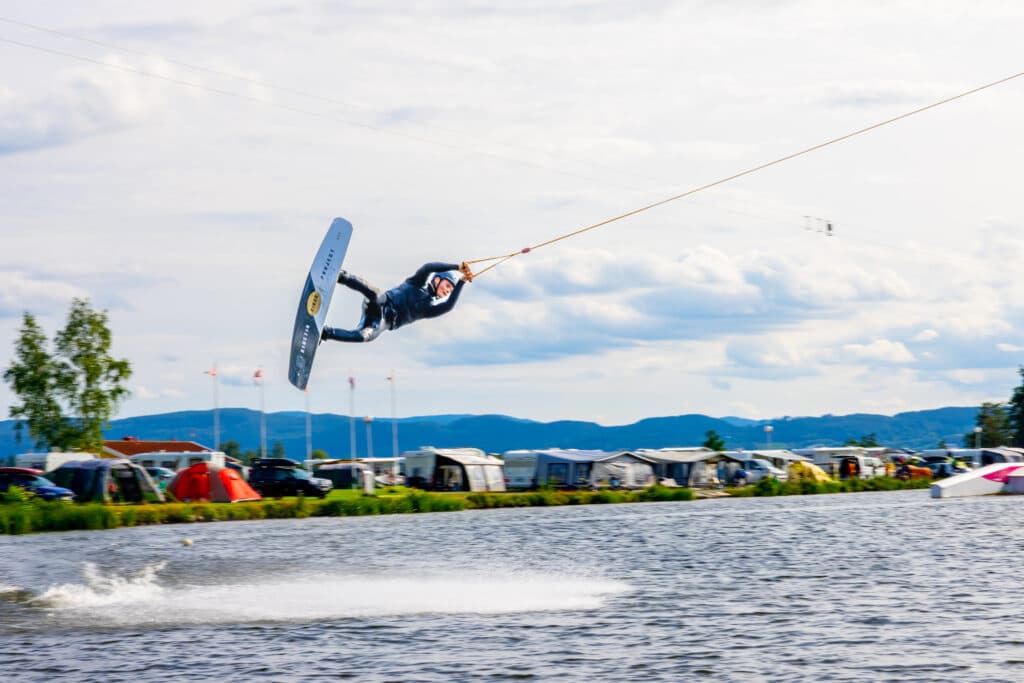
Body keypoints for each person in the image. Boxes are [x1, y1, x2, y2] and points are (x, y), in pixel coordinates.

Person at [321, 261, 473, 343]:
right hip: (381, 303)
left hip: (382, 322)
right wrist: (457, 267)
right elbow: (428, 267)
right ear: (437, 279)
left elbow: (448, 306)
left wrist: (462, 282)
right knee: (375, 294)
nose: (447, 291)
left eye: (450, 290)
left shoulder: (429, 309)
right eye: (447, 286)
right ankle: (340, 276)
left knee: (364, 336)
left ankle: (325, 333)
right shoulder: (418, 283)